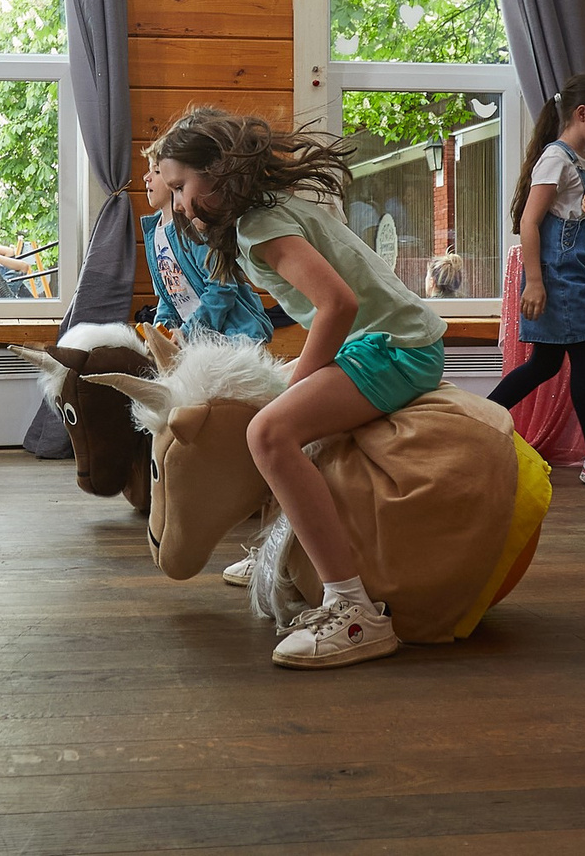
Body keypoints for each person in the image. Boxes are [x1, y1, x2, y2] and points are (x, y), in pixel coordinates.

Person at [153, 106, 451, 669]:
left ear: (216, 172)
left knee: (267, 431)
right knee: (269, 405)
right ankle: (284, 548)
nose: (178, 204)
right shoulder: (263, 213)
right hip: (382, 341)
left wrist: (297, 384)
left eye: (180, 187)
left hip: (396, 347)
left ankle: (353, 611)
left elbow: (338, 304)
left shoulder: (259, 225)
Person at [489, 73, 585, 487]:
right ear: (582, 113)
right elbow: (530, 221)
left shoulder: (578, 161)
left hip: (572, 280)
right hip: (558, 282)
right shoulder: (556, 159)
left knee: (544, 364)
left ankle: (477, 422)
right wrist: (535, 282)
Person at [140, 146, 273, 343]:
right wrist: (160, 333)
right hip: (196, 339)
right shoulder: (154, 234)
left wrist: (188, 332)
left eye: (156, 171)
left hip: (234, 337)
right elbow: (169, 296)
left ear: (173, 178)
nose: (146, 177)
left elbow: (222, 287)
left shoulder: (195, 228)